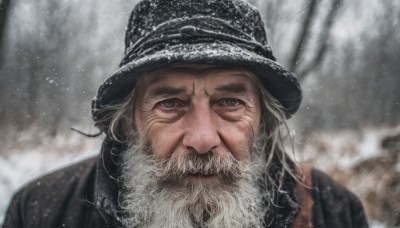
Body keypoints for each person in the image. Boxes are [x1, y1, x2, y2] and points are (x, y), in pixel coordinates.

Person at [3, 0, 369, 227]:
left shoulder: (332, 212)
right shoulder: (44, 212)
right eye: (169, 104)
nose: (203, 140)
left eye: (230, 103)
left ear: (263, 120)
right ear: (129, 120)